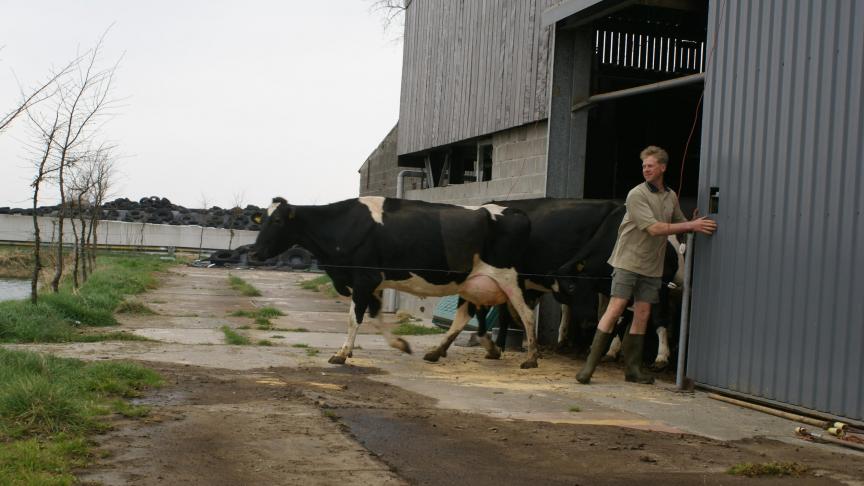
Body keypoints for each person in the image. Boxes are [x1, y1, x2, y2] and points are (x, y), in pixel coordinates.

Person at [577, 146, 718, 385]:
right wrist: (690, 226)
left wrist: (692, 221)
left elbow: (680, 223)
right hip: (629, 261)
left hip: (652, 266)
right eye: (643, 166)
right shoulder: (636, 195)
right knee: (616, 308)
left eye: (650, 165)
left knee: (642, 314)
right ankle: (589, 367)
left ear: (662, 167)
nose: (645, 169)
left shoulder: (670, 196)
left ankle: (633, 369)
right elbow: (654, 228)